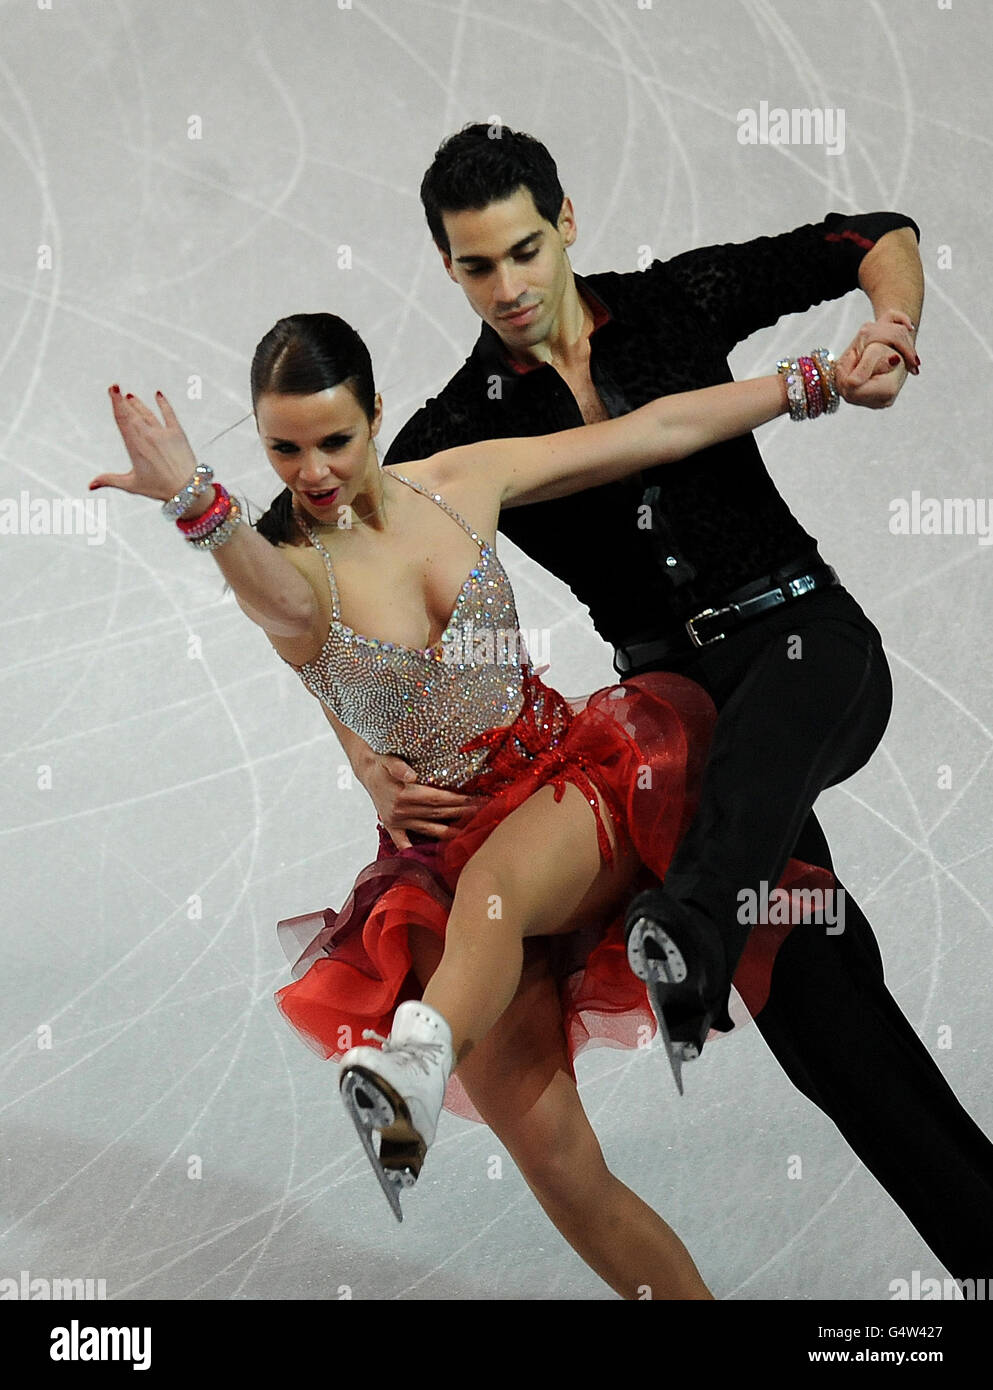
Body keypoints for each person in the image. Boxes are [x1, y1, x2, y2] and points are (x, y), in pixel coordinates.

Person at [94, 311, 838, 1298]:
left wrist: (806, 380)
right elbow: (281, 608)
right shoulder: (289, 572)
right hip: (440, 863)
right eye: (283, 447)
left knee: (499, 883)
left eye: (334, 440)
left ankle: (409, 1070)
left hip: (576, 785)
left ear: (376, 415)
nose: (311, 471)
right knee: (571, 1180)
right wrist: (202, 508)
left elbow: (644, 432)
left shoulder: (454, 482)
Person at [364, 123, 993, 1283]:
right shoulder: (457, 432)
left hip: (807, 641)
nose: (506, 287)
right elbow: (339, 588)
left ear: (565, 223)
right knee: (832, 1026)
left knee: (767, 739)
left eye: (520, 250)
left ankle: (693, 929)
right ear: (446, 267)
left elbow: (873, 234)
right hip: (676, 717)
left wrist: (891, 326)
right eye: (474, 266)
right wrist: (370, 757)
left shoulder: (671, 303)